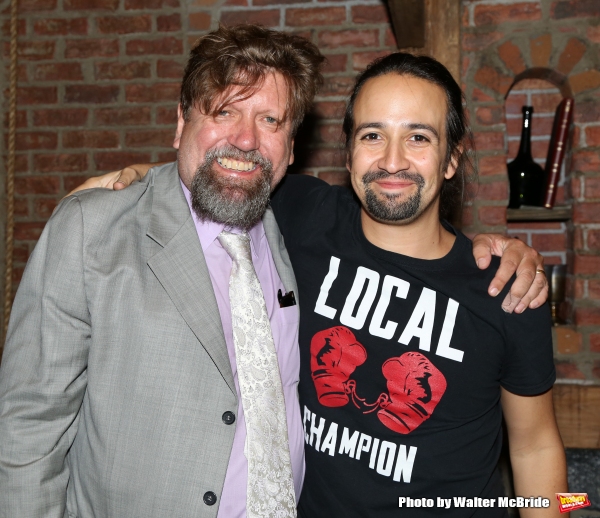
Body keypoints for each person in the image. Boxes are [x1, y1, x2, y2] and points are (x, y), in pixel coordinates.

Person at [0, 25, 548, 518]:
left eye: (420, 138)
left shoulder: (506, 287)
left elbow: (536, 450)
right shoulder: (305, 216)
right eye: (372, 135)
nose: (393, 160)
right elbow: (218, 171)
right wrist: (135, 177)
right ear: (348, 152)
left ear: (453, 159)